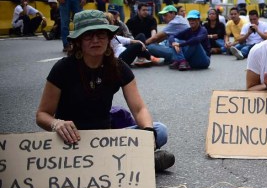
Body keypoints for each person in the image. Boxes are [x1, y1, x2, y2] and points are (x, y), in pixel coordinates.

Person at [35, 10, 175, 171]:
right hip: (71, 140)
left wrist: (148, 134)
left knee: (159, 130)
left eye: (101, 35)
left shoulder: (118, 67)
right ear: (78, 41)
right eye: (88, 36)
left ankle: (115, 161)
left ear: (109, 38)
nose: (95, 40)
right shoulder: (63, 68)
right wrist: (56, 124)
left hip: (104, 137)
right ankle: (139, 162)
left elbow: (139, 109)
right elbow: (42, 115)